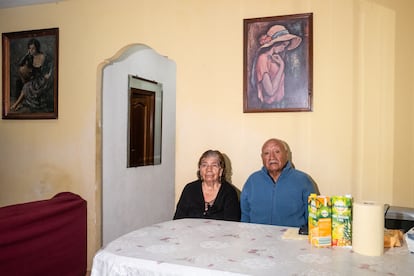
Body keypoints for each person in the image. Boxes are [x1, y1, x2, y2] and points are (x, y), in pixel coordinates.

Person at [240, 138, 316, 227]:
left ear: (286, 154)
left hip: (292, 238)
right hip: (257, 237)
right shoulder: (252, 181)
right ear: (262, 157)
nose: (272, 157)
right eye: (266, 153)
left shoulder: (303, 180)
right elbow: (245, 215)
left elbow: (313, 217)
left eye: (277, 152)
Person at [173, 150, 241, 221]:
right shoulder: (190, 189)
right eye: (204, 165)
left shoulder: (229, 193)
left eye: (214, 165)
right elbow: (178, 220)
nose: (209, 169)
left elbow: (232, 226)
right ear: (200, 169)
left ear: (221, 171)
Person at [250, 25, 302, 108]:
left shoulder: (277, 59)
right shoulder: (263, 59)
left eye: (286, 46)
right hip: (270, 107)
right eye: (284, 44)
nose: (284, 48)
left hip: (281, 105)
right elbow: (270, 91)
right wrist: (282, 66)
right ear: (276, 43)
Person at [10, 38, 53, 112]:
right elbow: (20, 64)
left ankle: (16, 104)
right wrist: (27, 54)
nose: (31, 50)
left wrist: (49, 74)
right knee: (20, 81)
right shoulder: (30, 57)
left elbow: (51, 65)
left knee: (26, 86)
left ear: (37, 48)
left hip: (42, 79)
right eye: (30, 48)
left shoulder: (43, 56)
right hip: (34, 79)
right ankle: (18, 104)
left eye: (33, 48)